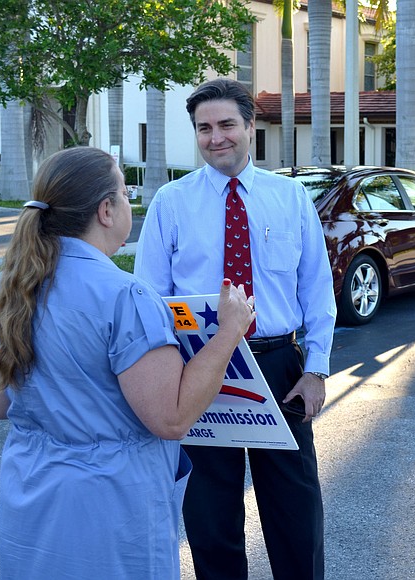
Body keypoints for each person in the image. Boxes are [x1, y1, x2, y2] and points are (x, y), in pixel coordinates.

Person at [0, 146, 256, 579]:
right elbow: (172, 418)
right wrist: (227, 334)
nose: (128, 202)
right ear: (106, 210)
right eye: (126, 193)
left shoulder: (4, 288)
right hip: (111, 507)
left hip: (30, 496)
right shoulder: (127, 296)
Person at [134, 78, 336, 579]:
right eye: (204, 128)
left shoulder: (289, 197)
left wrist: (316, 370)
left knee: (295, 507)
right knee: (210, 513)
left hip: (278, 364)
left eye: (227, 124)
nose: (215, 137)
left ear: (250, 126)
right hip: (199, 368)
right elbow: (149, 296)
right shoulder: (171, 202)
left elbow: (316, 291)